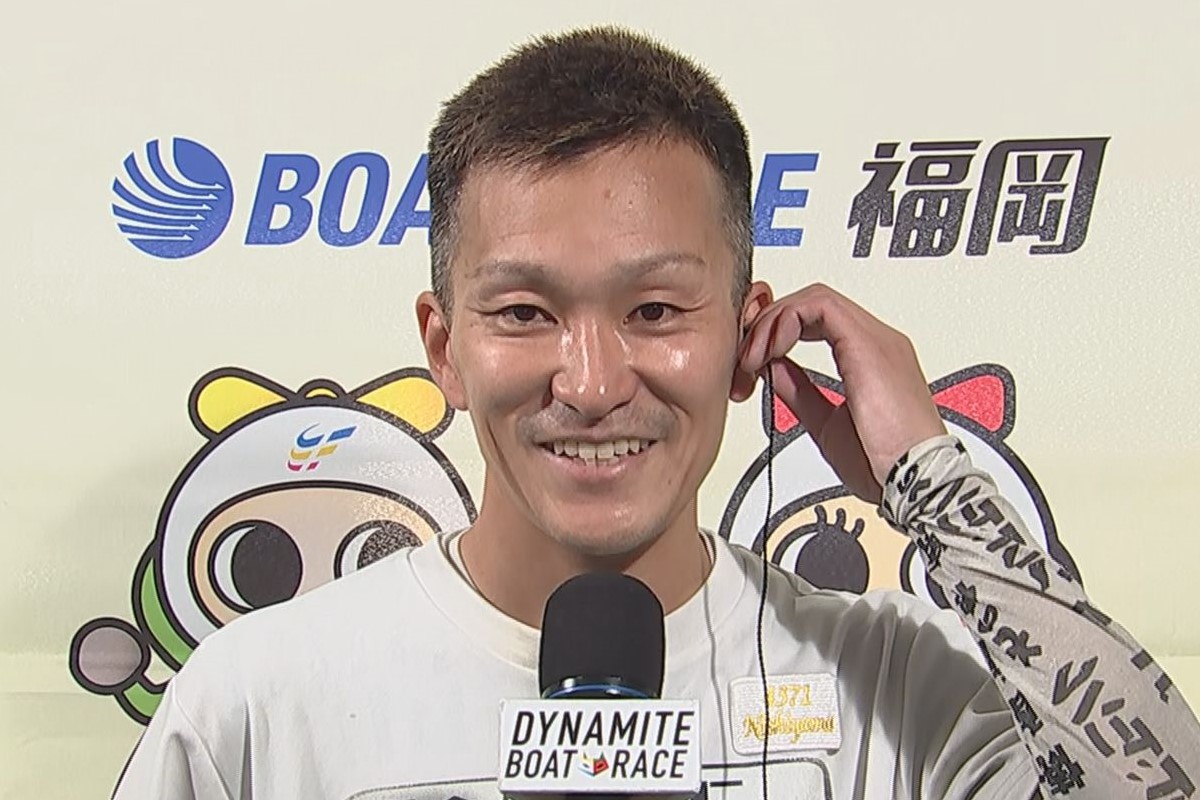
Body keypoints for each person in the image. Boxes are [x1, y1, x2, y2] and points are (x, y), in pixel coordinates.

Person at [113, 26, 1200, 800]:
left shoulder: (896, 682)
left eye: (655, 310)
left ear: (747, 336)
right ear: (445, 348)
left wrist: (934, 480)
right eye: (525, 312)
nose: (591, 385)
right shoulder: (259, 701)